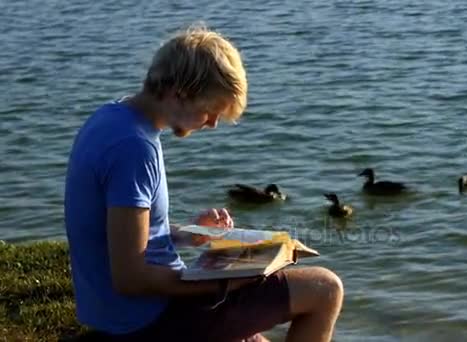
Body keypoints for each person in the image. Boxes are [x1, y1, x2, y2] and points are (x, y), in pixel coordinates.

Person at [64, 24, 343, 342]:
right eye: (210, 112)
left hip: (119, 313)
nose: (211, 124)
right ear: (180, 94)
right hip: (146, 321)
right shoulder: (134, 147)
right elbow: (130, 278)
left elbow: (122, 234)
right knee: (325, 289)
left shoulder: (113, 118)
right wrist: (225, 283)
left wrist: (188, 234)